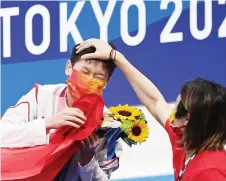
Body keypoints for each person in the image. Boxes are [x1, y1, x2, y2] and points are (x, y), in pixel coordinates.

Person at [76, 38, 226, 181]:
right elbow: (154, 101)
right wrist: (116, 57)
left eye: (178, 102)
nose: (172, 107)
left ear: (187, 119)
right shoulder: (184, 138)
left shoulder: (210, 171)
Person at [1, 44, 122, 181]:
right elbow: (2, 134)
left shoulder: (108, 125)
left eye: (98, 77)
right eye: (84, 72)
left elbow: (103, 178)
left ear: (106, 82)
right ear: (69, 68)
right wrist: (47, 124)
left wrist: (87, 161)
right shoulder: (40, 96)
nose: (89, 80)